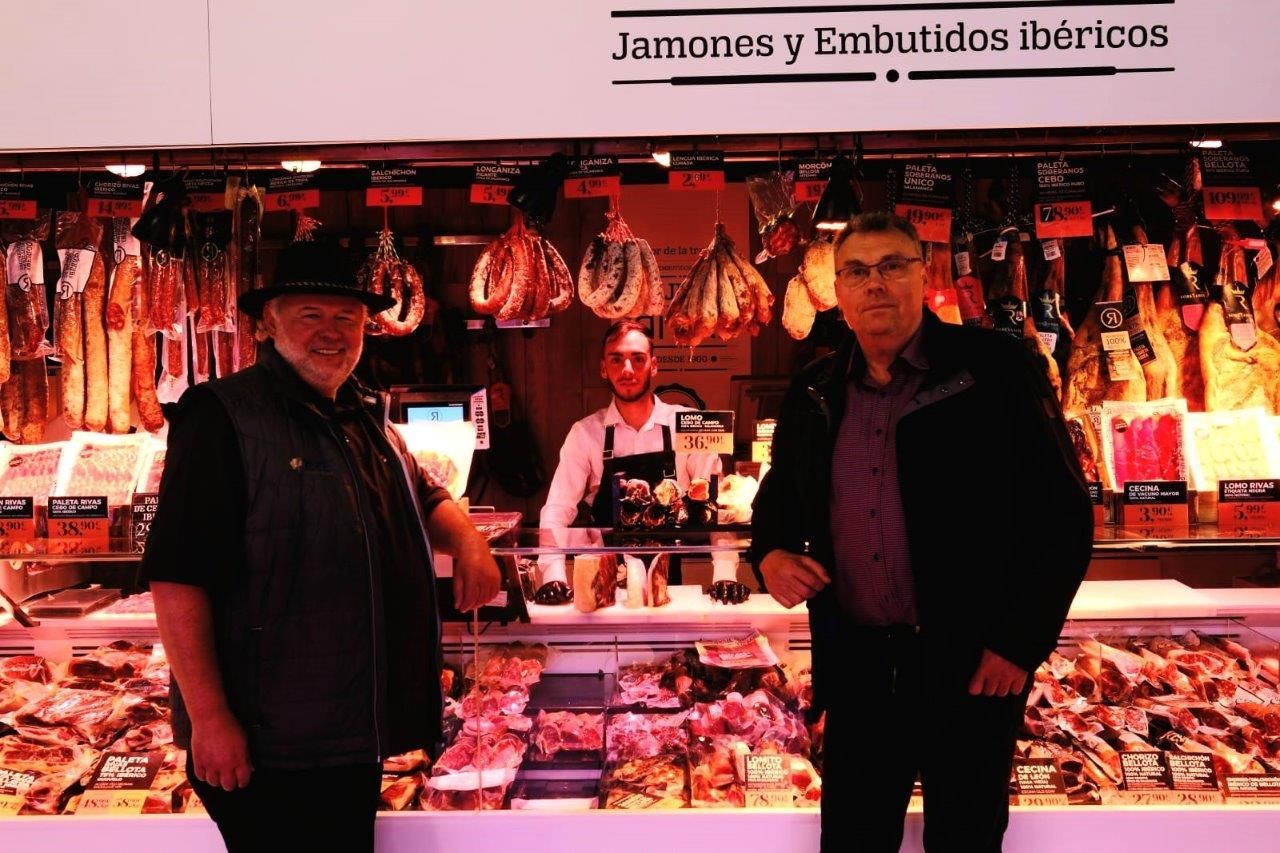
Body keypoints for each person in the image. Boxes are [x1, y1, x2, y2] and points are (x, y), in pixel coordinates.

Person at [143, 239, 501, 853]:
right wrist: (209, 719)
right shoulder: (221, 416)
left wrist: (469, 542)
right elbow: (177, 575)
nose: (331, 333)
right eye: (311, 315)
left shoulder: (362, 414)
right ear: (268, 323)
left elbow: (424, 491)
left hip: (346, 732)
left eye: (348, 318)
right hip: (269, 743)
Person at [752, 212, 1093, 852]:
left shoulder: (995, 370)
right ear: (840, 292)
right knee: (853, 841)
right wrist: (767, 555)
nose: (873, 284)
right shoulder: (815, 390)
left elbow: (1066, 520)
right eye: (855, 271)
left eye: (891, 266)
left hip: (970, 670)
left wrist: (1018, 644)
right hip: (858, 673)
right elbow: (779, 502)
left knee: (965, 841)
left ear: (922, 275)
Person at [536, 320, 748, 605]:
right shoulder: (585, 433)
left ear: (654, 366)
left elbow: (717, 505)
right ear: (603, 368)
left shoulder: (688, 424)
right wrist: (553, 574)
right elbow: (557, 510)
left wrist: (725, 573)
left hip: (669, 584)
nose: (627, 369)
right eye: (616, 359)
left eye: (637, 359)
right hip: (604, 587)